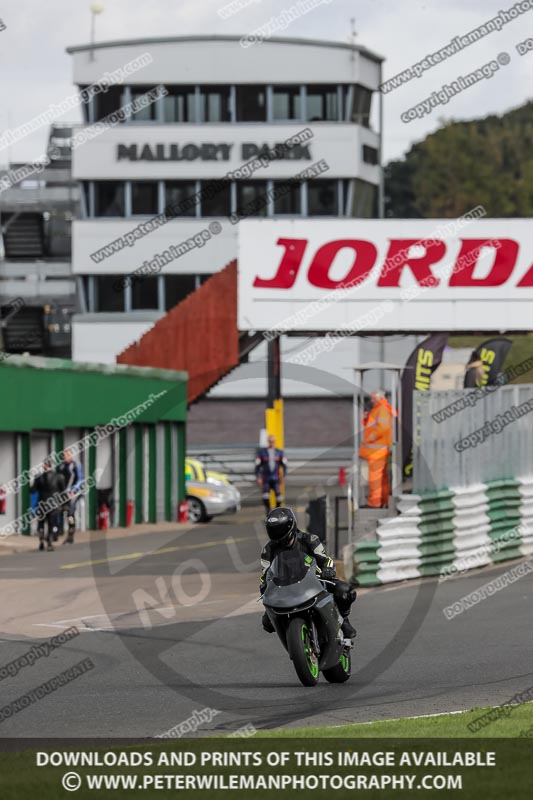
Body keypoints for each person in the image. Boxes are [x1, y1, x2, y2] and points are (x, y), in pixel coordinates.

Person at [259, 507, 357, 639]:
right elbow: (265, 574)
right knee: (267, 623)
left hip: (315, 581)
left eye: (279, 529)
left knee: (345, 592)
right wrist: (265, 587)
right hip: (284, 589)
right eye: (273, 530)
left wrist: (328, 570)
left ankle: (344, 619)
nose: (276, 533)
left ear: (290, 526)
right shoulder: (268, 550)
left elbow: (325, 559)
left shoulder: (309, 539)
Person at [359, 390, 397, 509]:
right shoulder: (379, 409)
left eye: (373, 398)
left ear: (379, 398)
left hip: (377, 451)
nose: (371, 400)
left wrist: (370, 438)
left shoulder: (381, 410)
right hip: (378, 450)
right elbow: (373, 426)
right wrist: (366, 419)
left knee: (374, 479)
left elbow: (383, 428)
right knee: (382, 479)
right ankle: (383, 500)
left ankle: (374, 503)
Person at [30, 460, 66, 551]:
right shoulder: (58, 477)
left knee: (41, 522)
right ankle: (49, 542)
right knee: (51, 523)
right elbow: (63, 491)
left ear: (43, 466)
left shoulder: (38, 478)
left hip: (42, 503)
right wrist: (65, 504)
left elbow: (32, 490)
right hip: (53, 504)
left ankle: (41, 540)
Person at [56, 448, 83, 544]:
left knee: (70, 513)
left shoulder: (76, 465)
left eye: (67, 455)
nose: (66, 457)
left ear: (71, 455)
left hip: (73, 494)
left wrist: (73, 491)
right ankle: (59, 530)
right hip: (63, 493)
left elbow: (80, 480)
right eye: (64, 455)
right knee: (59, 511)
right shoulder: (61, 466)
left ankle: (71, 533)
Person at [255, 434, 287, 513]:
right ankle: (268, 512)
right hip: (266, 478)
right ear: (268, 442)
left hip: (276, 478)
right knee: (266, 496)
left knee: (279, 497)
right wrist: (258, 477)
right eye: (270, 441)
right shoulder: (262, 453)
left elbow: (285, 465)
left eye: (273, 441)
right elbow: (257, 466)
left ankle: (277, 511)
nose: (271, 443)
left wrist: (283, 476)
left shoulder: (279, 453)